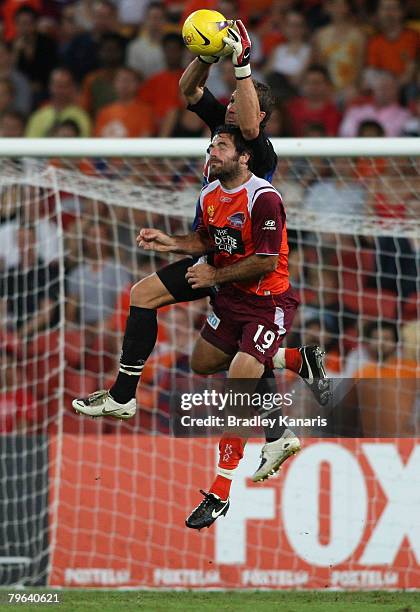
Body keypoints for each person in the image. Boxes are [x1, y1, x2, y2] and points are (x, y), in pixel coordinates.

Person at [72, 22, 327, 420]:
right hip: (211, 247)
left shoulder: (258, 151)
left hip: (241, 265)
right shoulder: (225, 131)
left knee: (241, 361)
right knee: (144, 296)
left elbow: (247, 127)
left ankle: (278, 421)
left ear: (257, 115)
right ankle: (122, 396)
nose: (226, 108)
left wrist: (242, 65)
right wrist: (206, 57)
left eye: (237, 104)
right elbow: (188, 90)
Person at [136, 126, 301, 528]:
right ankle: (290, 361)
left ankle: (220, 490)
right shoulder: (209, 193)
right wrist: (169, 243)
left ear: (244, 157)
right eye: (211, 145)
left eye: (222, 145)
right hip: (230, 301)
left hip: (267, 302)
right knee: (203, 362)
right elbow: (204, 241)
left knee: (240, 381)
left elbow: (264, 261)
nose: (213, 151)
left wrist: (212, 279)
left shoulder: (264, 198)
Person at [339, 71, 412, 136]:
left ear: (397, 91)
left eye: (387, 87)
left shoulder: (405, 115)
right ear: (374, 90)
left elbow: (393, 137)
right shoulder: (355, 111)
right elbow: (345, 133)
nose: (383, 91)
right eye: (379, 87)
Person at [25, 68, 91, 137]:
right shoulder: (38, 117)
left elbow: (84, 145)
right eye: (58, 85)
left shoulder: (81, 117)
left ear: (72, 87)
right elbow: (31, 145)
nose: (61, 90)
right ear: (50, 86)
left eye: (65, 86)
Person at [94, 67, 153, 137]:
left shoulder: (146, 111)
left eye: (128, 80)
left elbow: (145, 139)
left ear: (138, 84)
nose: (124, 84)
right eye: (120, 80)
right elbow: (98, 139)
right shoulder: (104, 112)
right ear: (114, 83)